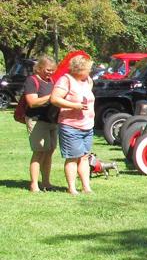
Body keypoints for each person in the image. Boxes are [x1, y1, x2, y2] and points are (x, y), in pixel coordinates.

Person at [51, 55, 95, 195]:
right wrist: (74, 106)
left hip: (87, 125)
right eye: (88, 69)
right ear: (79, 68)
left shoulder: (87, 81)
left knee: (84, 156)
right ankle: (72, 188)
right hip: (70, 126)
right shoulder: (66, 80)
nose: (90, 71)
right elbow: (54, 99)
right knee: (73, 157)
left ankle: (86, 187)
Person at [22, 56, 58, 192]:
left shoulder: (51, 81)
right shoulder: (31, 81)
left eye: (52, 70)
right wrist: (51, 97)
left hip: (51, 120)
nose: (50, 73)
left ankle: (46, 183)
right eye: (48, 70)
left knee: (49, 152)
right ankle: (34, 185)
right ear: (40, 68)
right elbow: (32, 102)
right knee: (39, 152)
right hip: (37, 120)